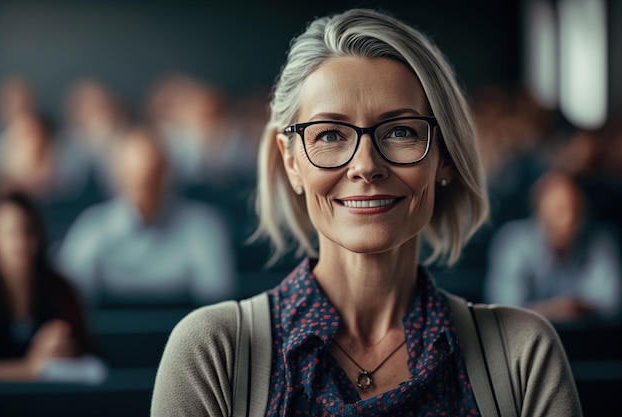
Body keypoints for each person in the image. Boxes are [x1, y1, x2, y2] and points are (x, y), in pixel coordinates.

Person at [151, 8, 582, 416]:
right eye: (330, 134)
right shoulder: (214, 351)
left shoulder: (523, 353)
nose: (365, 166)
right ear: (291, 162)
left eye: (400, 131)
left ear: (445, 157)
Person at [56, 126, 238, 307]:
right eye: (132, 175)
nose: (143, 185)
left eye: (153, 174)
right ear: (116, 176)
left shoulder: (204, 225)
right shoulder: (91, 227)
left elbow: (217, 299)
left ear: (168, 173)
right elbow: (69, 298)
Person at [485, 169, 622, 323]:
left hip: (590, 341)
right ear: (540, 209)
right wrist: (556, 310)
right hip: (525, 341)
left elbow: (611, 304)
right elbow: (506, 309)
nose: (568, 219)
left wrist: (573, 308)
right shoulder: (513, 241)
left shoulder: (601, 241)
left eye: (575, 210)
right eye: (560, 210)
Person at [0, 192, 97, 381]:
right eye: (10, 233)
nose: (21, 244)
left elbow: (89, 358)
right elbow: (32, 368)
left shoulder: (61, 291)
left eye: (29, 231)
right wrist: (28, 368)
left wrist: (68, 351)